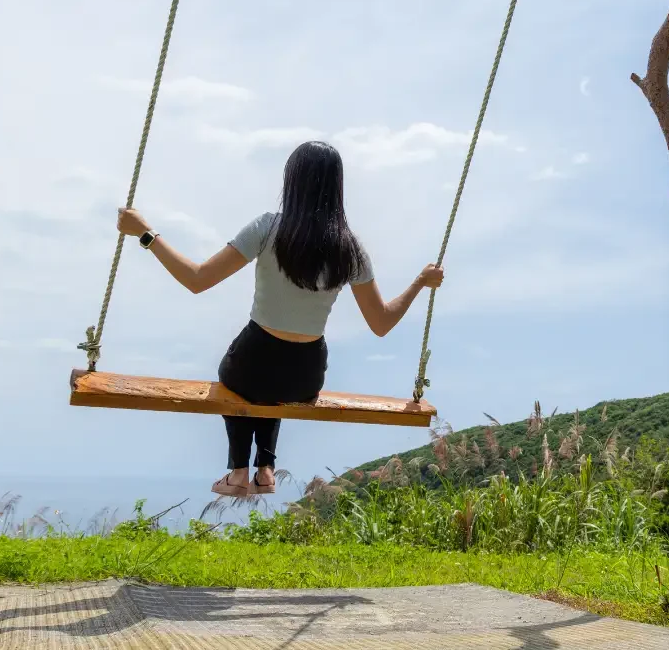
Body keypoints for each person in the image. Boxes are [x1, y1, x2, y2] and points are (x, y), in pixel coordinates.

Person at [115, 140, 444, 497]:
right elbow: (381, 323)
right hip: (306, 377)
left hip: (253, 363)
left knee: (240, 376)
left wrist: (146, 234)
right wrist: (420, 283)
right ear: (337, 187)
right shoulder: (350, 248)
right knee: (274, 383)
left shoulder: (268, 228)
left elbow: (197, 279)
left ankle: (240, 471)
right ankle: (266, 468)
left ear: (292, 182)